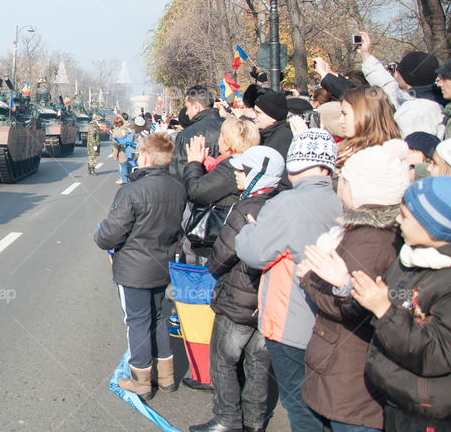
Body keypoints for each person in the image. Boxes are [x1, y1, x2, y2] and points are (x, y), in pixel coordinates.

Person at [235, 129, 343, 432]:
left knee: (299, 405)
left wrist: (250, 228)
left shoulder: (286, 204)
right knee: (326, 404)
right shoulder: (341, 201)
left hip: (290, 322)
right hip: (333, 323)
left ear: (294, 163)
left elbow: (254, 252)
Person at [296, 140, 408, 431]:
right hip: (343, 370)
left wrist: (309, 279)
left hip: (350, 378)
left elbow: (352, 306)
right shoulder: (368, 231)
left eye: (343, 180)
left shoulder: (369, 240)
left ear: (362, 189)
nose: (338, 185)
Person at [190, 146, 285, 432]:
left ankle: (227, 419)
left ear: (259, 175)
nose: (237, 174)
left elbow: (221, 257)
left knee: (223, 360)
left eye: (243, 170)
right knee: (258, 364)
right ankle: (255, 422)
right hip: (269, 300)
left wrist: (213, 269)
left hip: (238, 297)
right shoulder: (283, 205)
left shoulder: (245, 208)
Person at [93, 133, 186, 400]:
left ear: (143, 156)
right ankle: (166, 375)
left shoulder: (131, 191)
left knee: (136, 321)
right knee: (158, 317)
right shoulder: (177, 187)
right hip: (163, 265)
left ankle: (140, 379)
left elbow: (111, 234)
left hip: (133, 269)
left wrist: (98, 236)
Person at [356, 177, 451, 429]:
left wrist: (384, 311)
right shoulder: (410, 258)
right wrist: (349, 285)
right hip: (399, 399)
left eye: (406, 216)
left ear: (434, 226)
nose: (398, 220)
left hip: (428, 412)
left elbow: (438, 352)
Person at [183, 117, 260, 208]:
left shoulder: (230, 168)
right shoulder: (252, 162)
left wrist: (194, 163)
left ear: (227, 144)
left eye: (220, 136)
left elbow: (196, 192)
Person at [337, 86, 402, 167]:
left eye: (345, 114)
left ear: (364, 114)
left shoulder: (378, 160)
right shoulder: (346, 150)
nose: (340, 121)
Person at [170, 86, 224, 179]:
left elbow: (179, 174)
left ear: (196, 107)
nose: (186, 112)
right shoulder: (231, 127)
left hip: (198, 188)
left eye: (187, 107)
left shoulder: (186, 135)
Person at [112, 114, 132, 184]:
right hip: (130, 152)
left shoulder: (117, 132)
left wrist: (115, 155)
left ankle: (124, 181)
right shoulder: (127, 128)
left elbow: (116, 145)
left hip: (122, 153)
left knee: (123, 168)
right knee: (129, 168)